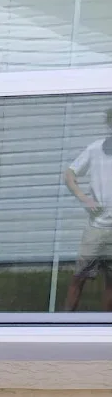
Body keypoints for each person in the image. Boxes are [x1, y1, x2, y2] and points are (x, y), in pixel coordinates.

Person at [64, 108, 112, 312]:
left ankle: (104, 332)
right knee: (79, 278)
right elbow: (69, 174)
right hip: (96, 228)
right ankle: (62, 325)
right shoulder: (95, 149)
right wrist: (84, 199)